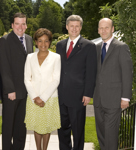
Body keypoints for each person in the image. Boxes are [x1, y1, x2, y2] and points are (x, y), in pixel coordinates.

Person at [56, 15, 97, 150]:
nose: (74, 29)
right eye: (71, 26)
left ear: (80, 27)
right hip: (61, 96)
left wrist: (88, 94)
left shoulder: (89, 46)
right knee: (62, 131)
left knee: (78, 131)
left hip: (78, 97)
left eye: (77, 26)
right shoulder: (60, 45)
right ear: (67, 27)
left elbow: (91, 72)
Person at [93, 18, 133, 150]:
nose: (103, 30)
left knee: (110, 136)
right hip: (98, 100)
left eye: (107, 27)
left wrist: (125, 98)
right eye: (101, 28)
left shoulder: (121, 47)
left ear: (112, 29)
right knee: (102, 135)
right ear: (98, 30)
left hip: (114, 100)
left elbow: (127, 73)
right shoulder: (96, 48)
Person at [0, 12, 33, 150]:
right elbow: (4, 67)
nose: (20, 26)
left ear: (26, 25)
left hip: (25, 92)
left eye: (23, 23)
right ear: (12, 25)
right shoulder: (5, 40)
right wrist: (9, 89)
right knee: (8, 126)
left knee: (21, 125)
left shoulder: (29, 39)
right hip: (11, 92)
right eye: (17, 23)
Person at [24, 28, 61, 150]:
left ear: (50, 42)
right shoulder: (29, 57)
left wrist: (43, 98)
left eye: (46, 41)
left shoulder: (56, 57)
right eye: (40, 41)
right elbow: (27, 79)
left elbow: (56, 80)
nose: (43, 44)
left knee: (46, 127)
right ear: (36, 42)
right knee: (36, 126)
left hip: (49, 98)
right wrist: (35, 97)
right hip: (33, 98)